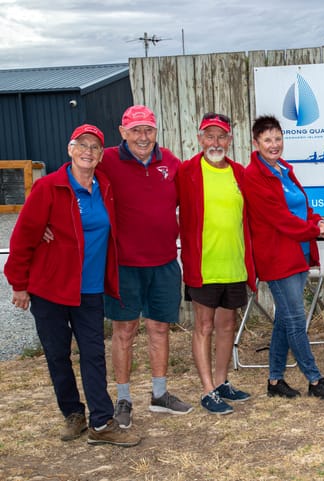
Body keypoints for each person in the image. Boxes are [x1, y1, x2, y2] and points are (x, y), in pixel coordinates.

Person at [5, 125, 140, 447]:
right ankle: (72, 414)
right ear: (70, 149)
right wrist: (19, 285)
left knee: (93, 354)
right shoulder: (49, 187)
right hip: (50, 288)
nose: (88, 151)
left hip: (90, 288)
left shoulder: (104, 187)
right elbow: (22, 238)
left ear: (100, 156)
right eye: (82, 144)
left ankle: (100, 422)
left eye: (95, 147)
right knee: (57, 354)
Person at [99, 105, 193, 425]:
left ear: (156, 132)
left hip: (164, 262)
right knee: (124, 331)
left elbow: (193, 200)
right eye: (136, 130)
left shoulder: (171, 162)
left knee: (159, 329)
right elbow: (71, 179)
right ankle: (123, 400)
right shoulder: (106, 160)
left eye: (148, 130)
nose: (143, 137)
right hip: (124, 264)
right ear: (122, 132)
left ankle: (159, 394)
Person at [242, 115, 324, 401]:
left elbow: (302, 207)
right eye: (267, 140)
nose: (274, 145)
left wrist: (320, 223)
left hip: (298, 254)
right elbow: (280, 219)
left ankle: (275, 381)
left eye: (278, 138)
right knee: (296, 321)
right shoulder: (253, 177)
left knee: (285, 321)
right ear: (256, 143)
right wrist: (314, 229)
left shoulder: (284, 170)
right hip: (277, 258)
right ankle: (314, 380)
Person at [178, 113, 256, 414]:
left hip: (234, 265)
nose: (215, 142)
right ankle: (208, 389)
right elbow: (158, 204)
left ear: (230, 140)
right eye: (209, 136)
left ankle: (223, 382)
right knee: (204, 326)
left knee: (226, 326)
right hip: (204, 267)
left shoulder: (240, 173)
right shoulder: (187, 172)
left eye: (221, 136)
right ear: (199, 139)